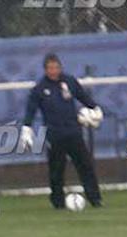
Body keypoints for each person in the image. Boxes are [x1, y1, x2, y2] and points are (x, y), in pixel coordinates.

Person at [20, 54, 103, 209]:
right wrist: (27, 127)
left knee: (85, 166)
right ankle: (58, 202)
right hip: (54, 134)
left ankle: (95, 199)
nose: (53, 71)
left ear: (60, 67)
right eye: (50, 68)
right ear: (45, 70)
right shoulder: (40, 88)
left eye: (56, 67)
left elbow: (82, 96)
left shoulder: (69, 81)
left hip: (73, 132)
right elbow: (31, 109)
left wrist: (95, 108)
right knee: (56, 170)